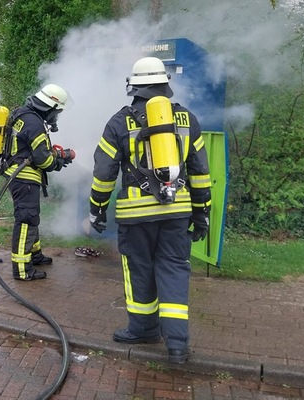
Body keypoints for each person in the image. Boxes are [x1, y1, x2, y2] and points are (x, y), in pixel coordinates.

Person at [88, 57, 212, 364]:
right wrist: (202, 213)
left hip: (135, 214)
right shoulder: (186, 120)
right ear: (165, 84)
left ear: (134, 87)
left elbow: (104, 172)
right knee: (174, 268)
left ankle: (143, 328)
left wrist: (97, 210)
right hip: (177, 211)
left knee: (139, 268)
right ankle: (178, 345)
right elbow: (200, 172)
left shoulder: (119, 122)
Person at [4, 84, 74, 281]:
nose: (57, 116)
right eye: (57, 111)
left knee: (32, 217)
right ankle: (22, 268)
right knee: (26, 220)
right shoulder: (34, 123)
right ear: (49, 107)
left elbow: (33, 150)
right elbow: (43, 159)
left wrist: (57, 155)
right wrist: (58, 162)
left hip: (19, 175)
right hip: (24, 177)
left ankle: (34, 255)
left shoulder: (24, 115)